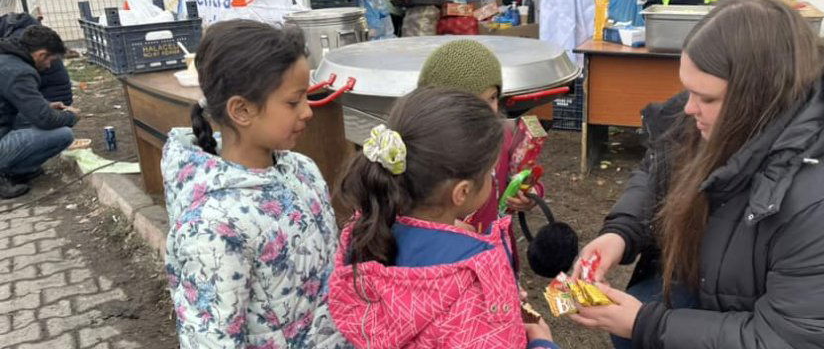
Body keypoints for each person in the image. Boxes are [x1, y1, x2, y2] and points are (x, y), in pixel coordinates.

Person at [568, 0, 824, 348]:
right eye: (688, 90)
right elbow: (664, 167)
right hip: (760, 295)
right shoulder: (739, 115)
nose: (688, 108)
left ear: (759, 95)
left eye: (707, 97)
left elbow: (792, 340)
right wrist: (621, 232)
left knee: (639, 327)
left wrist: (647, 324)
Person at [161, 20, 349, 348]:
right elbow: (212, 339)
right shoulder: (212, 226)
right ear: (242, 110)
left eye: (307, 97)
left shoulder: (301, 168)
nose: (308, 112)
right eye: (294, 102)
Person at [328, 87, 559, 349]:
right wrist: (542, 344)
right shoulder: (471, 281)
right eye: (489, 173)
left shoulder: (365, 234)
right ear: (462, 192)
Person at [416, 39, 541, 236]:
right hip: (445, 256)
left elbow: (522, 176)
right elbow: (401, 205)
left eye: (492, 97)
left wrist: (530, 195)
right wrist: (442, 223)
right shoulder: (423, 151)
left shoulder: (503, 136)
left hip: (496, 252)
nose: (488, 110)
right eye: (475, 101)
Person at [0, 25, 78, 199]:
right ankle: (10, 171)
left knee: (29, 121)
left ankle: (15, 169)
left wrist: (47, 106)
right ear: (41, 54)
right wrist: (71, 116)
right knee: (63, 134)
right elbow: (44, 119)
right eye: (50, 60)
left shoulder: (6, 58)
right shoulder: (19, 72)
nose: (49, 66)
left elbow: (11, 103)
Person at [0, 12, 73, 106]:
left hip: (52, 97)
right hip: (53, 97)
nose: (48, 64)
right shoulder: (26, 36)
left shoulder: (18, 44)